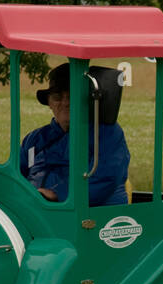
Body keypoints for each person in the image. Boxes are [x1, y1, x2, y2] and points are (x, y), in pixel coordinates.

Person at [21, 65, 130, 205]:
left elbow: (107, 177)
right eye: (57, 97)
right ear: (49, 102)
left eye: (72, 96)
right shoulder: (34, 139)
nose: (65, 103)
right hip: (37, 210)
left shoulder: (106, 133)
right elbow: (15, 176)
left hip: (89, 215)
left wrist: (57, 194)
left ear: (87, 100)